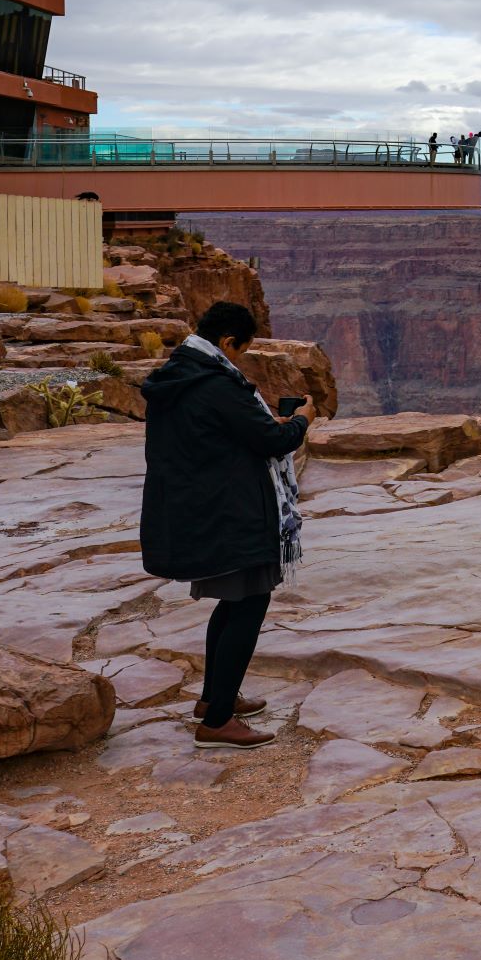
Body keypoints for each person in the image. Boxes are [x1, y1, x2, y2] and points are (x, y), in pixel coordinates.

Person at [138, 300, 313, 751]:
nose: (240, 359)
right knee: (249, 605)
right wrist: (301, 421)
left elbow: (220, 434)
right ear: (227, 341)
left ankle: (215, 700)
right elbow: (273, 441)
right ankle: (217, 723)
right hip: (231, 514)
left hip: (203, 509)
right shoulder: (216, 384)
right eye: (240, 350)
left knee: (233, 602)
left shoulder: (181, 374)